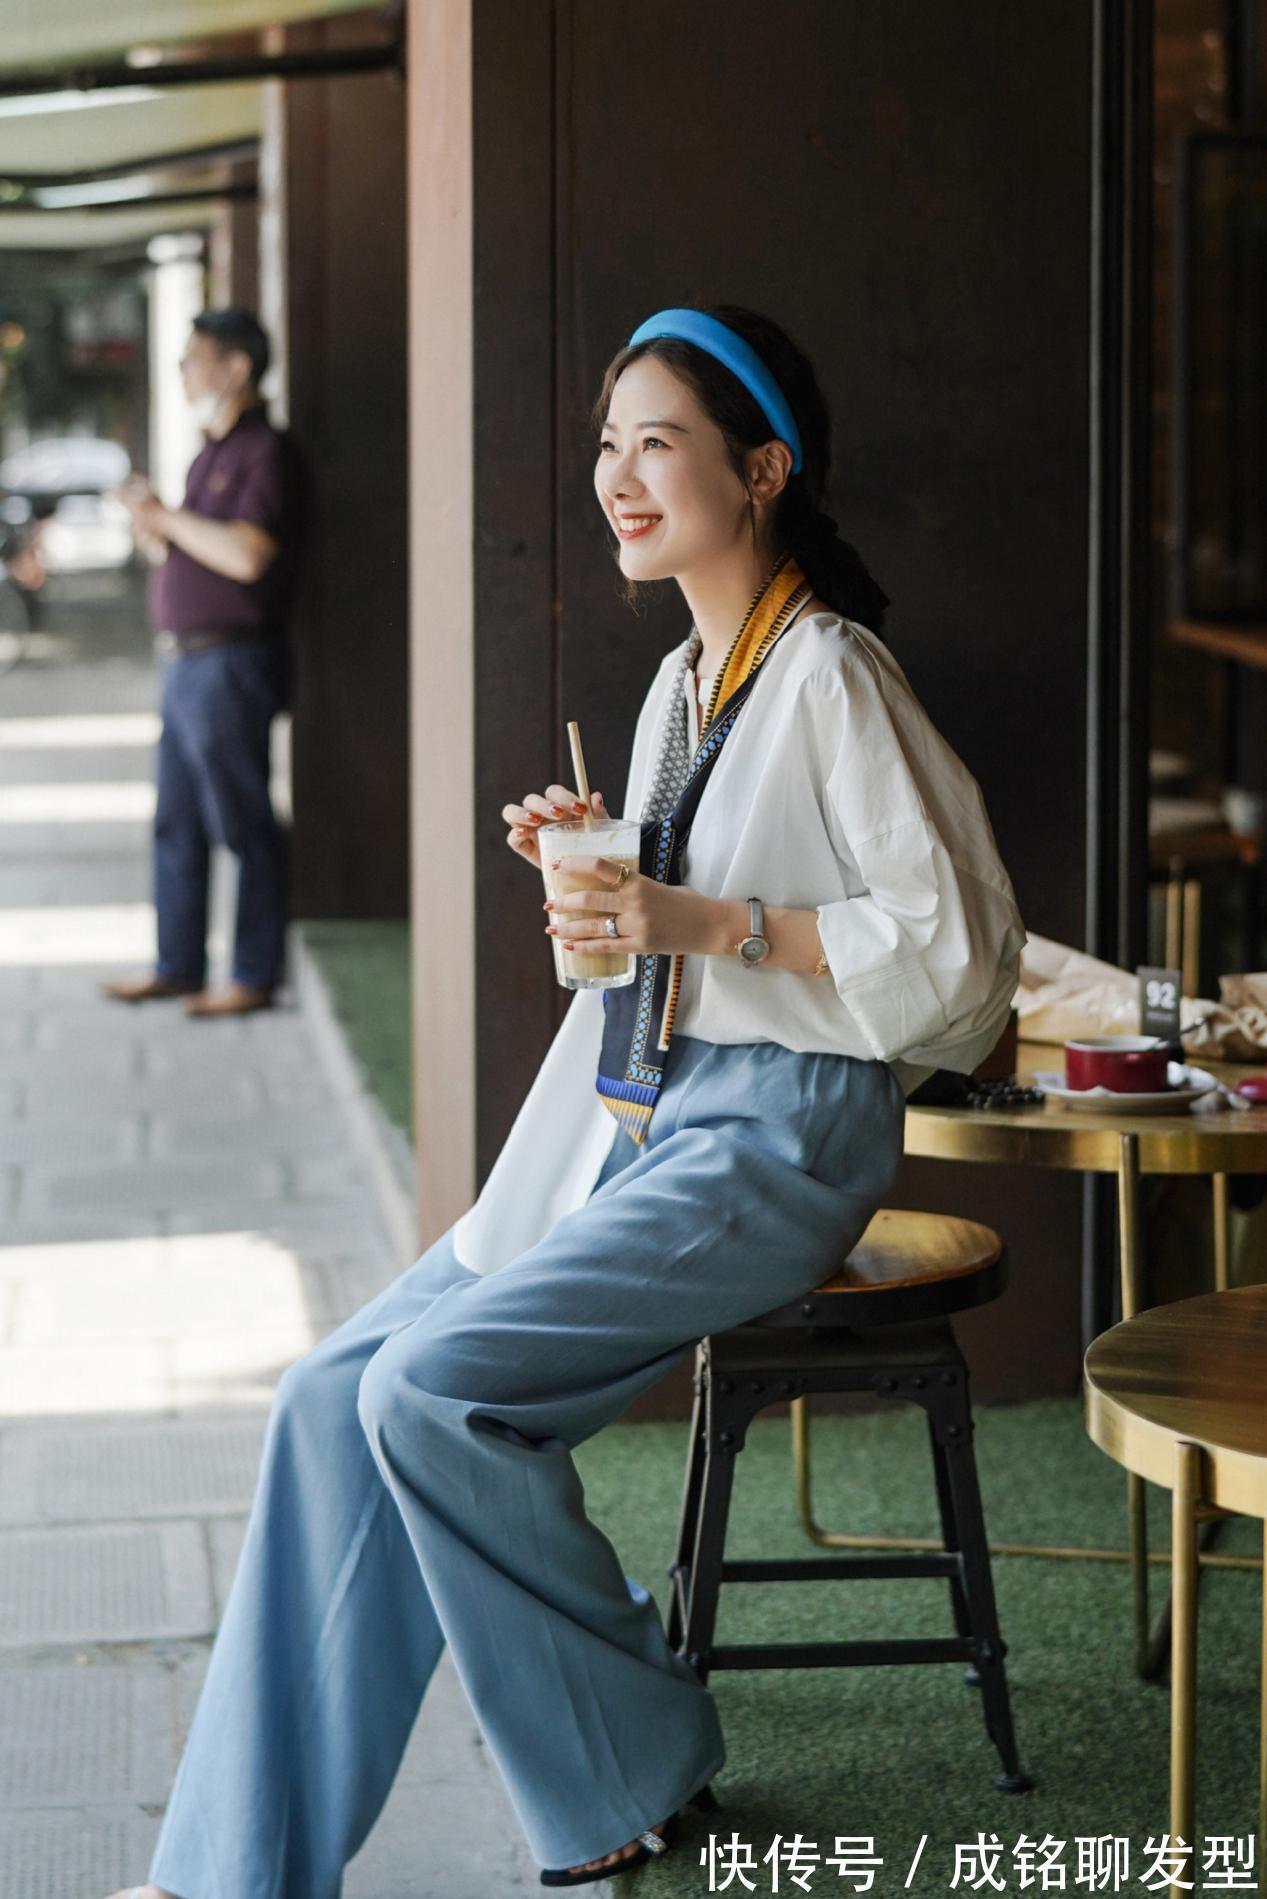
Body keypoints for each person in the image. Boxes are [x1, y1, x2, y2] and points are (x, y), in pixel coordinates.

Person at [105, 303, 1025, 1899]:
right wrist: (599, 878)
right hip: (640, 1109)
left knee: (430, 1393)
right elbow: (659, 952)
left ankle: (630, 1764)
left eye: (653, 440)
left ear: (761, 467)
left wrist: (695, 919)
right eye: (606, 442)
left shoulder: (826, 674)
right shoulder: (680, 684)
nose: (615, 473)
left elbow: (959, 949)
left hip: (783, 1128)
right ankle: (227, 1875)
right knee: (330, 1390)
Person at [102, 307, 306, 1018]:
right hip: (185, 663)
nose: (186, 372)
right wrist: (157, 527)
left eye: (196, 358)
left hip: (232, 662)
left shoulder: (264, 452)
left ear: (238, 368)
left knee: (243, 820)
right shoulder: (207, 452)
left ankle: (253, 972)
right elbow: (194, 548)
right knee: (176, 822)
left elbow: (248, 555)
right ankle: (178, 963)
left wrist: (167, 518)